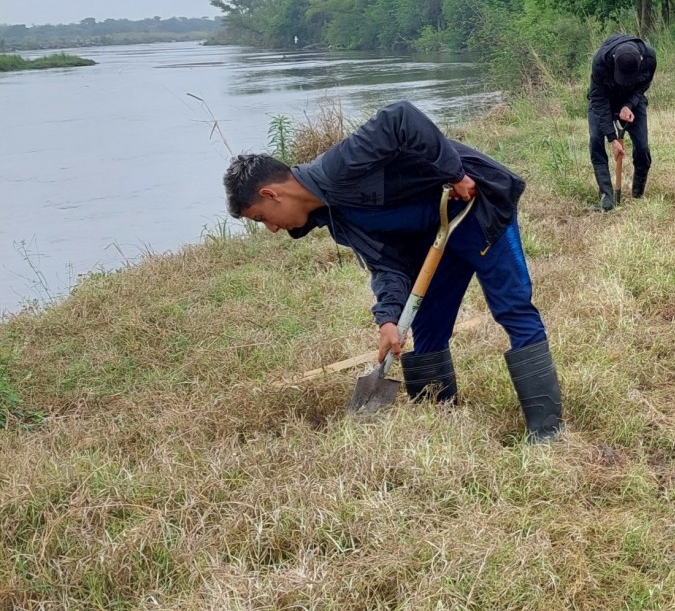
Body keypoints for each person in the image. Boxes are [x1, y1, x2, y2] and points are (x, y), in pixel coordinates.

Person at [223, 101, 563, 442]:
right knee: (429, 324)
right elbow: (387, 264)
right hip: (437, 237)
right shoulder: (337, 219)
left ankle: (546, 433)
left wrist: (455, 173)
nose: (270, 228)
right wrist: (387, 319)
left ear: (271, 194)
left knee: (512, 306)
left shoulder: (338, 167)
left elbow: (400, 117)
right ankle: (438, 419)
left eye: (261, 218)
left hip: (477, 206)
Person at [588, 33, 657, 211]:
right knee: (596, 139)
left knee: (642, 147)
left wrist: (628, 105)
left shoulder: (649, 57)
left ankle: (638, 194)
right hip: (604, 98)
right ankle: (607, 198)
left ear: (641, 60)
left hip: (632, 98)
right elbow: (598, 99)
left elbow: (643, 85)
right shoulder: (600, 61)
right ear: (613, 60)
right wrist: (612, 138)